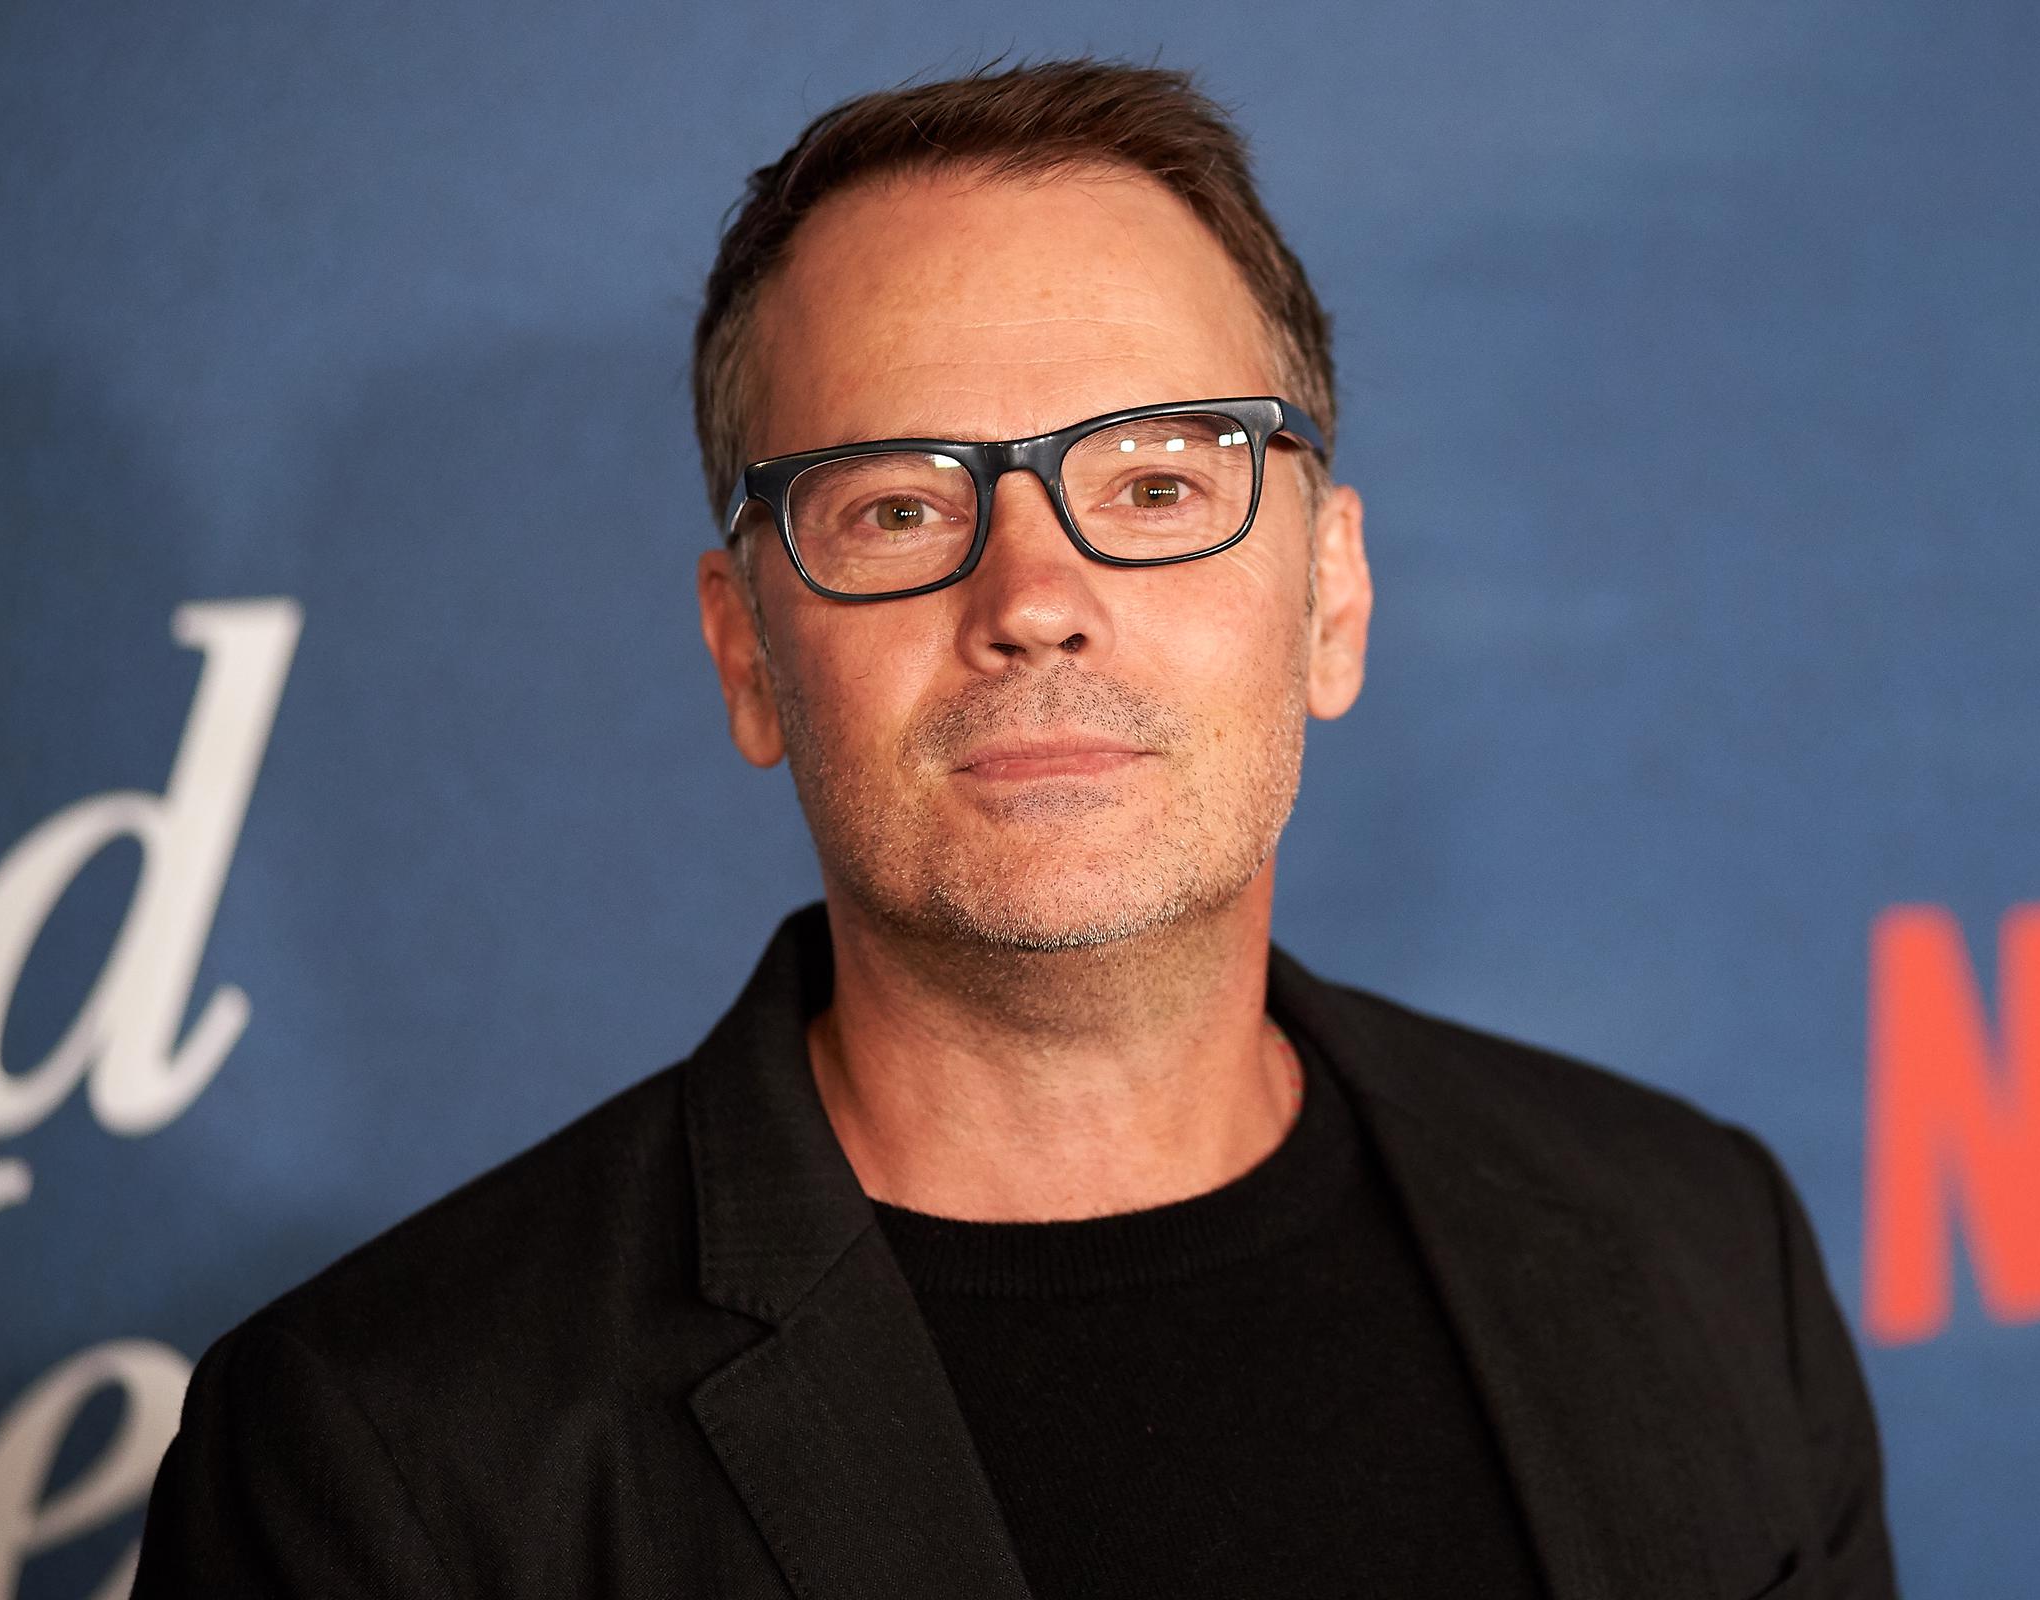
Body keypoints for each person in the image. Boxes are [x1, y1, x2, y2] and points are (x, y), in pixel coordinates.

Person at [134, 58, 1896, 1599]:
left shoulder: (1700, 1247)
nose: (1035, 597)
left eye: (1157, 484)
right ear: (748, 652)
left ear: (1334, 598)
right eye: (899, 508)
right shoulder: (389, 1458)